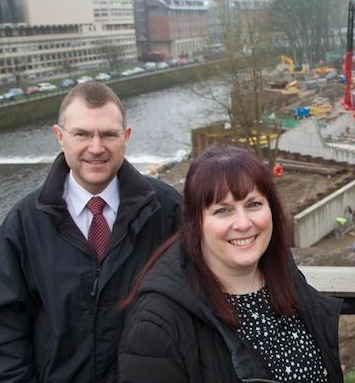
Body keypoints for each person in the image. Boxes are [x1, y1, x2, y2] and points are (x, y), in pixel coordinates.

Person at [0, 81, 182, 383]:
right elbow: (2, 327)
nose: (96, 148)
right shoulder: (25, 221)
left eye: (108, 135)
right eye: (82, 134)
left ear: (126, 138)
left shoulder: (167, 210)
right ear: (60, 137)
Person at [118, 146, 343, 383]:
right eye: (223, 210)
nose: (243, 223)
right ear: (196, 222)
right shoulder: (157, 324)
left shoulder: (283, 274)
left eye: (253, 204)